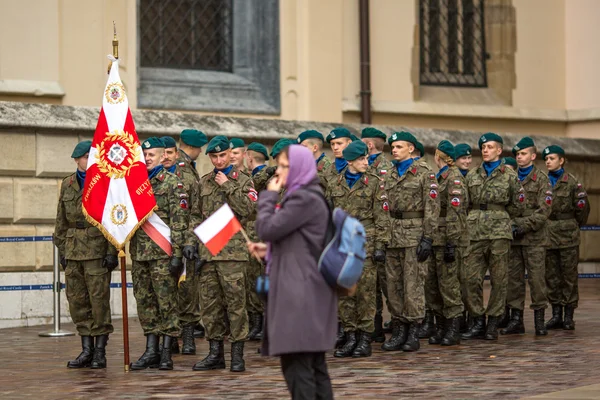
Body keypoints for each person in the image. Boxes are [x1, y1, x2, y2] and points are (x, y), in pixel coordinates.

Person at [252, 144, 336, 400]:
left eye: (284, 166)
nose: (278, 172)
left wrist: (268, 196)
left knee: (298, 367)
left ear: (299, 167)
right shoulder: (307, 195)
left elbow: (266, 228)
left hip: (300, 292)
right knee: (313, 365)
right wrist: (270, 251)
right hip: (306, 285)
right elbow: (302, 241)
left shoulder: (303, 198)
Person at [193, 136, 257, 373]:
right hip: (209, 253)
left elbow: (248, 209)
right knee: (210, 306)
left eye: (223, 155)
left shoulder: (243, 181)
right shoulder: (204, 182)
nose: (219, 160)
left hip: (232, 254)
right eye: (214, 156)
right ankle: (215, 354)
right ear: (209, 157)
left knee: (236, 305)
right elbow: (195, 216)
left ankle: (237, 355)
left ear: (231, 154)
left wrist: (227, 186)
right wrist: (193, 244)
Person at [129, 137, 192, 371]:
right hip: (140, 254)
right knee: (145, 302)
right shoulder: (133, 184)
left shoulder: (172, 183)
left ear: (162, 157)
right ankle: (151, 350)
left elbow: (179, 222)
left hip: (162, 254)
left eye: (151, 155)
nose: (146, 159)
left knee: (167, 303)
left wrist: (177, 254)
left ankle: (166, 351)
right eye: (143, 156)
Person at [54, 140, 118, 369]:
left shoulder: (104, 183)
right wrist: (62, 249)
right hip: (73, 250)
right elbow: (61, 221)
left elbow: (113, 220)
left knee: (98, 301)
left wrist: (112, 251)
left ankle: (100, 352)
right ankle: (86, 350)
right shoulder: (67, 184)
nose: (90, 162)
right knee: (77, 301)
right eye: (85, 158)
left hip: (96, 250)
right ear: (77, 160)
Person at [326, 140, 390, 358]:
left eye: (366, 158)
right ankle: (351, 335)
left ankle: (364, 338)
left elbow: (382, 217)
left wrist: (381, 245)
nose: (366, 162)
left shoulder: (374, 183)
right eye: (361, 159)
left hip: (366, 243)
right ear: (350, 161)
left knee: (365, 293)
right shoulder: (335, 183)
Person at [461, 133, 525, 341]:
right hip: (475, 232)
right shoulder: (472, 175)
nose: (485, 150)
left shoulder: (510, 175)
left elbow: (518, 204)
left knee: (499, 280)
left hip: (499, 232)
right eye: (483, 147)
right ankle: (478, 320)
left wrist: (505, 220)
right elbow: (464, 204)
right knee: (470, 279)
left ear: (499, 150)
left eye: (490, 147)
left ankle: (494, 322)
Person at [382, 131, 440, 352]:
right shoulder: (387, 174)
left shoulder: (424, 173)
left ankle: (413, 332)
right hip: (392, 234)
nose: (394, 150)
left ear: (411, 149)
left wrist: (427, 237)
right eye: (393, 147)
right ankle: (399, 331)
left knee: (413, 285)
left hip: (414, 235)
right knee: (393, 285)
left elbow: (432, 207)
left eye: (399, 146)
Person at [162, 131, 208, 355]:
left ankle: (182, 337)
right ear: (196, 147)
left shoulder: (185, 167)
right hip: (174, 238)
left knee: (182, 287)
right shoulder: (183, 170)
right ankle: (181, 337)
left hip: (177, 238)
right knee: (184, 288)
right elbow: (191, 210)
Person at [501, 137, 553, 336]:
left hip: (535, 239)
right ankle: (516, 320)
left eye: (523, 154)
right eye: (517, 154)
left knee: (537, 280)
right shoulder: (510, 177)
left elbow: (544, 211)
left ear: (532, 156)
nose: (519, 157)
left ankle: (539, 320)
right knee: (513, 281)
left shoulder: (542, 179)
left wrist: (520, 225)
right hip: (514, 239)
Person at [543, 145, 590, 330]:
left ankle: (569, 315)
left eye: (552, 158)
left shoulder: (572, 182)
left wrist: (571, 225)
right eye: (546, 159)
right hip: (548, 235)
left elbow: (582, 209)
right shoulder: (543, 182)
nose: (548, 161)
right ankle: (556, 314)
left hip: (568, 236)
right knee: (551, 276)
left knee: (569, 276)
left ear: (561, 160)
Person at [425, 140, 468, 346]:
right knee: (433, 286)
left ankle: (453, 329)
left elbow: (455, 213)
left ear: (437, 156)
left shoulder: (454, 178)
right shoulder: (439, 177)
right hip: (435, 239)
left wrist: (452, 241)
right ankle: (440, 326)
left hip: (448, 239)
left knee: (449, 286)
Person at [361, 127, 393, 342]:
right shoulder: (364, 164)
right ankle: (374, 325)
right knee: (370, 284)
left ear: (369, 145)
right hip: (368, 232)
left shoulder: (385, 168)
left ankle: (390, 324)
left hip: (382, 231)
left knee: (384, 282)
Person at [244, 141, 271, 340]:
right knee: (253, 279)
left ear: (249, 158)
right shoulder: (256, 176)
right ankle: (257, 322)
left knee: (258, 278)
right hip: (256, 234)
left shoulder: (260, 178)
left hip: (259, 234)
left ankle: (261, 323)